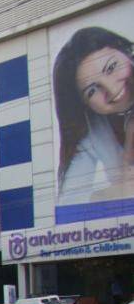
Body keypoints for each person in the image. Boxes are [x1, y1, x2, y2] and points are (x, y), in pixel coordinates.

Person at [53, 27, 134, 204]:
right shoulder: (94, 128)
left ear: (127, 52)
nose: (112, 91)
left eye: (111, 67)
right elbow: (69, 203)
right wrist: (116, 192)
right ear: (83, 104)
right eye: (92, 91)